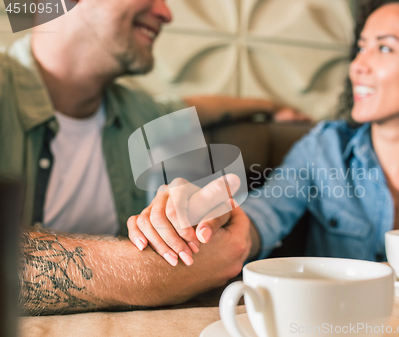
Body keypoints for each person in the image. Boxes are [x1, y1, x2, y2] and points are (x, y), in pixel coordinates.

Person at [128, 0, 399, 266]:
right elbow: (261, 218)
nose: (358, 66)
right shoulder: (326, 148)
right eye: (361, 48)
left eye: (384, 48)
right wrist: (205, 211)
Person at [1, 0, 301, 314]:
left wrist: (268, 107)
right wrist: (150, 275)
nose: (166, 13)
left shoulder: (137, 113)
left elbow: (189, 108)